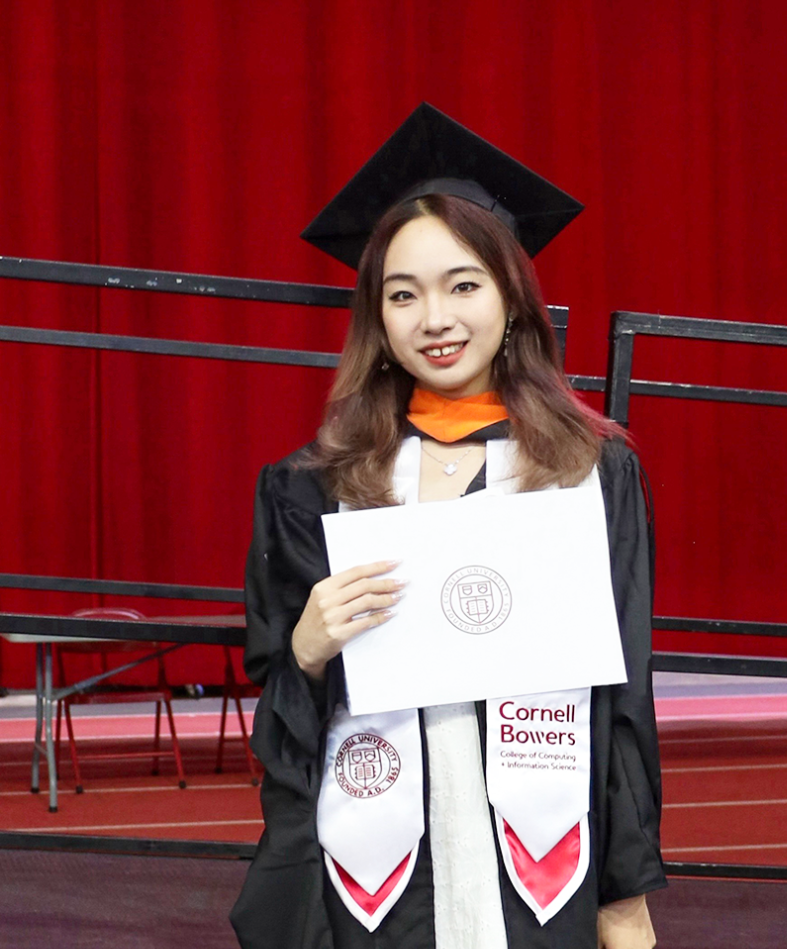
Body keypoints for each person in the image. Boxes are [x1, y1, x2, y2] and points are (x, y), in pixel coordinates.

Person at [230, 105, 663, 949]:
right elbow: (281, 727)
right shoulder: (314, 488)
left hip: (543, 880)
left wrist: (625, 899)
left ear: (512, 298)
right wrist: (308, 648)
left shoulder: (588, 472)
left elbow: (622, 701)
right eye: (403, 294)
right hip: (377, 887)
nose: (434, 317)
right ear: (377, 318)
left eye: (463, 285)